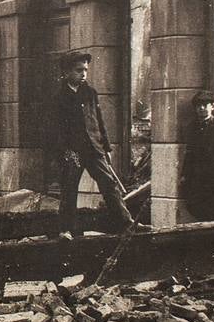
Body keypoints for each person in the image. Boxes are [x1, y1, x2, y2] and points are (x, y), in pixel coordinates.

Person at [51, 52, 146, 235]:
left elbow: (99, 122)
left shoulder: (90, 94)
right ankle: (67, 230)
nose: (84, 74)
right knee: (69, 189)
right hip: (74, 153)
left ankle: (126, 224)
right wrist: (66, 152)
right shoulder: (59, 98)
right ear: (67, 72)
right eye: (79, 70)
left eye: (86, 70)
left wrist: (107, 147)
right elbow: (56, 130)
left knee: (109, 184)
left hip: (94, 149)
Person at [182, 91, 214, 221]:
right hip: (196, 177)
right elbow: (189, 153)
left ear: (212, 107)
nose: (201, 108)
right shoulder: (192, 127)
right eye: (198, 106)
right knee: (195, 207)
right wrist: (184, 174)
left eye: (205, 105)